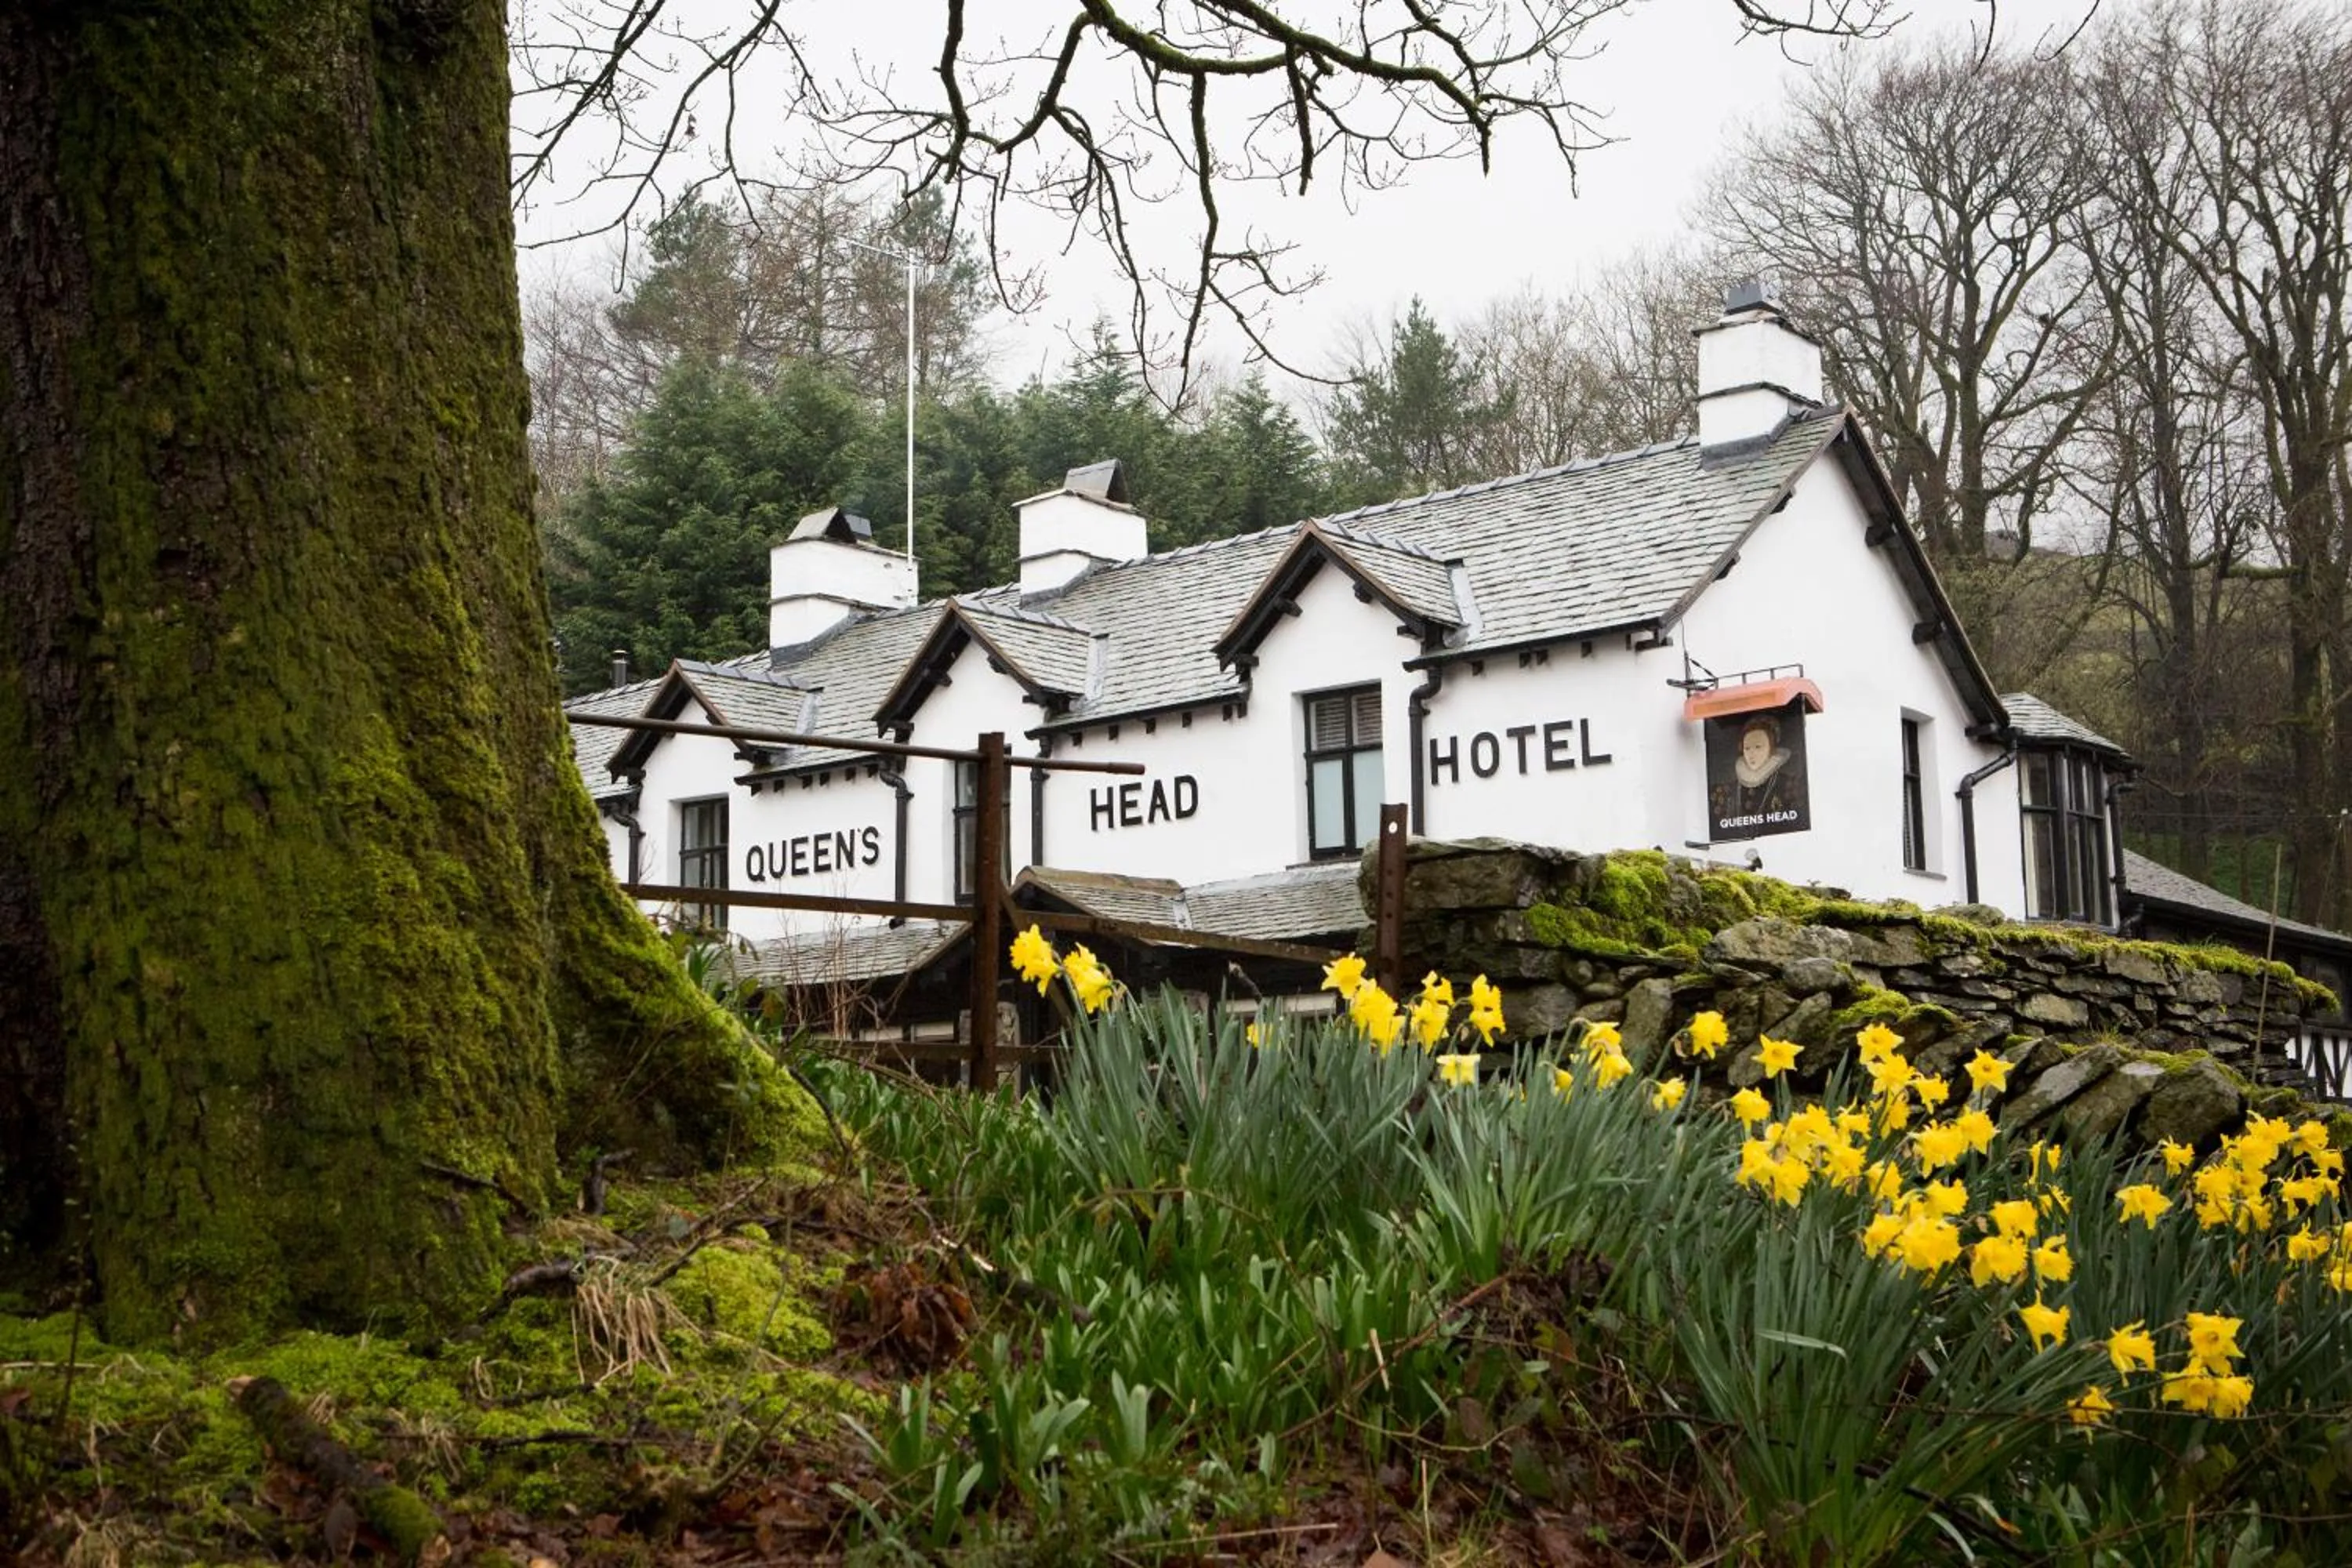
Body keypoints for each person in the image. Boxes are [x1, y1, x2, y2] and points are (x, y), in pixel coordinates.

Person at [1712, 713, 1802, 833]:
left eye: (1758, 747)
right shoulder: (1726, 791)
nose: (1752, 754)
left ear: (1771, 749)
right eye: (1747, 748)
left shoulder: (1789, 786)